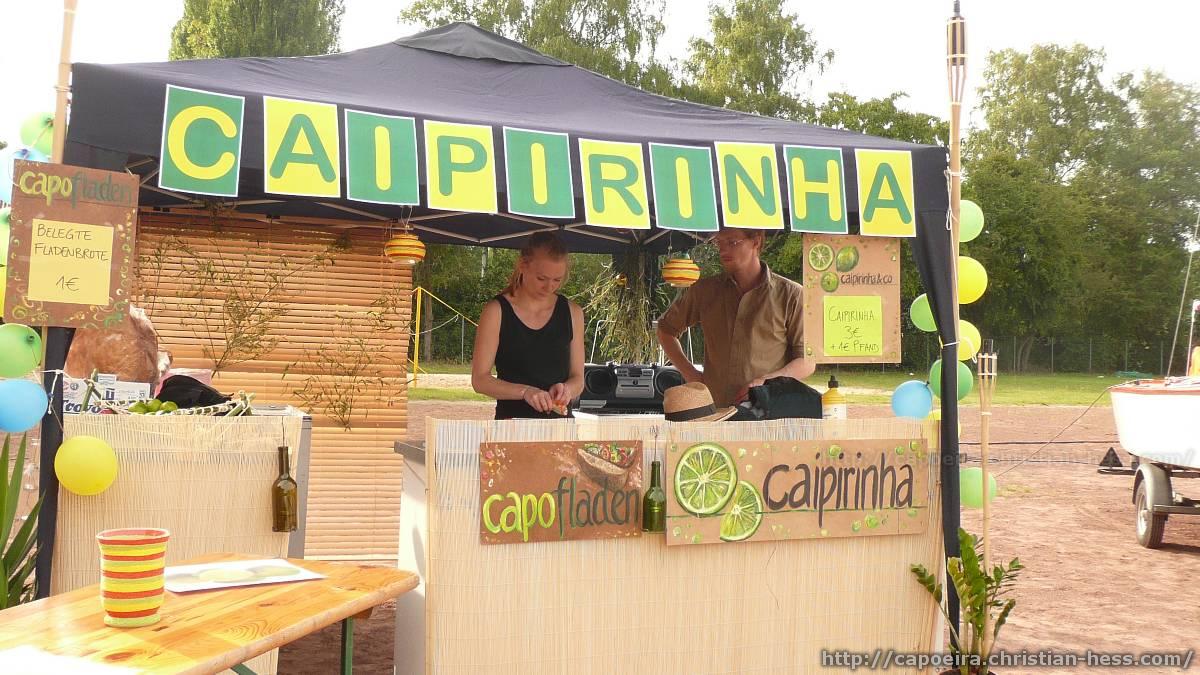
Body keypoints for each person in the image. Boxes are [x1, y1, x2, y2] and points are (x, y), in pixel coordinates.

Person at [656, 228, 815, 408]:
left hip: (768, 412)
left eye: (732, 242)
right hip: (715, 410)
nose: (723, 250)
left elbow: (807, 361)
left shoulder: (791, 295)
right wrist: (691, 374)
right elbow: (665, 330)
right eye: (719, 243)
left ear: (756, 241)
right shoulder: (704, 291)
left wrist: (766, 382)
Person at [471, 232, 585, 419]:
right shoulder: (496, 311)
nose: (549, 287)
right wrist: (525, 392)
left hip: (561, 428)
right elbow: (480, 380)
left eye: (557, 280)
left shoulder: (573, 312)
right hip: (512, 427)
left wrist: (567, 389)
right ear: (522, 266)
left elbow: (578, 378)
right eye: (541, 278)